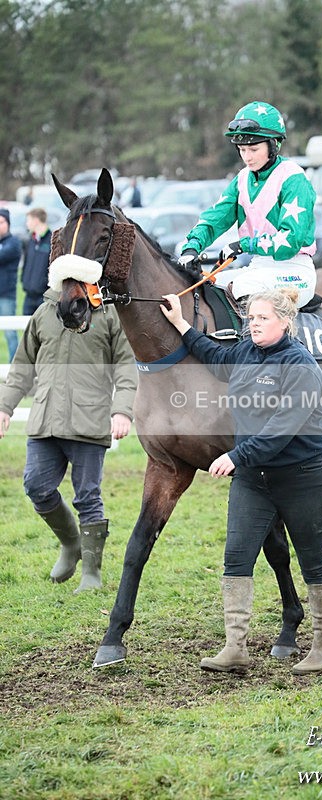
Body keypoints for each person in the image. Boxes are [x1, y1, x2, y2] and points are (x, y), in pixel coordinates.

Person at [160, 287, 322, 675]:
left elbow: (280, 430)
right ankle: (235, 648)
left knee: (314, 564)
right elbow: (212, 354)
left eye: (262, 318)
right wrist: (179, 323)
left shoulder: (301, 367)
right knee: (237, 558)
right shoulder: (245, 352)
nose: (253, 324)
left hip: (305, 477)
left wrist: (234, 456)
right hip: (254, 481)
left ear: (285, 322)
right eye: (250, 318)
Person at [0, 285, 138, 593]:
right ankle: (72, 544)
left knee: (88, 496)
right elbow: (23, 366)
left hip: (89, 419)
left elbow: (126, 367)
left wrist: (123, 411)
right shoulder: (44, 312)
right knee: (36, 485)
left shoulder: (108, 314)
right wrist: (4, 406)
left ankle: (92, 573)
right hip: (45, 419)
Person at [176, 101, 317, 311]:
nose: (247, 157)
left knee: (242, 286)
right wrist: (191, 247)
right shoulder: (242, 179)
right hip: (259, 267)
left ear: (274, 145)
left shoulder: (293, 178)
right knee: (209, 286)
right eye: (242, 149)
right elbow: (216, 218)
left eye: (253, 149)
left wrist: (244, 245)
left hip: (295, 270)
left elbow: (290, 241)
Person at [0, 208, 23, 362]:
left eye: (1, 222)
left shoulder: (13, 243)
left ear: (7, 224)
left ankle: (13, 368)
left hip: (6, 295)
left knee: (10, 332)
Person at [22, 208, 52, 315]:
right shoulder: (31, 240)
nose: (27, 223)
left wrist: (44, 284)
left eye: (28, 220)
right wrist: (24, 282)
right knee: (27, 329)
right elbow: (26, 264)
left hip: (43, 297)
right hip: (28, 296)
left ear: (36, 220)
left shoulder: (52, 240)